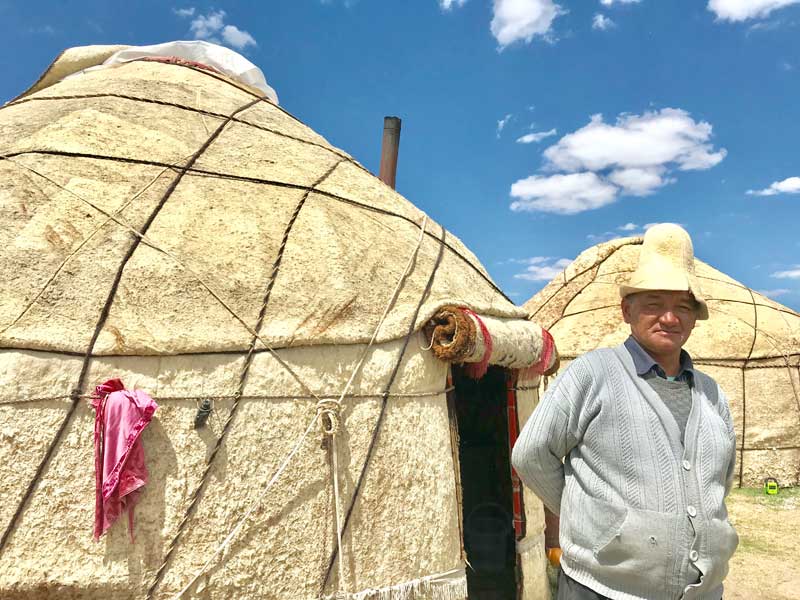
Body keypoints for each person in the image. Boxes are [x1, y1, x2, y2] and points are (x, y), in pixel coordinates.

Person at [512, 223, 738, 600]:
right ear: (626, 310)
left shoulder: (712, 394)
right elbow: (531, 454)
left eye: (683, 306)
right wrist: (590, 518)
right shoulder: (592, 374)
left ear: (695, 317)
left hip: (702, 592)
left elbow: (719, 479)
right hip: (602, 590)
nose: (670, 317)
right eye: (654, 304)